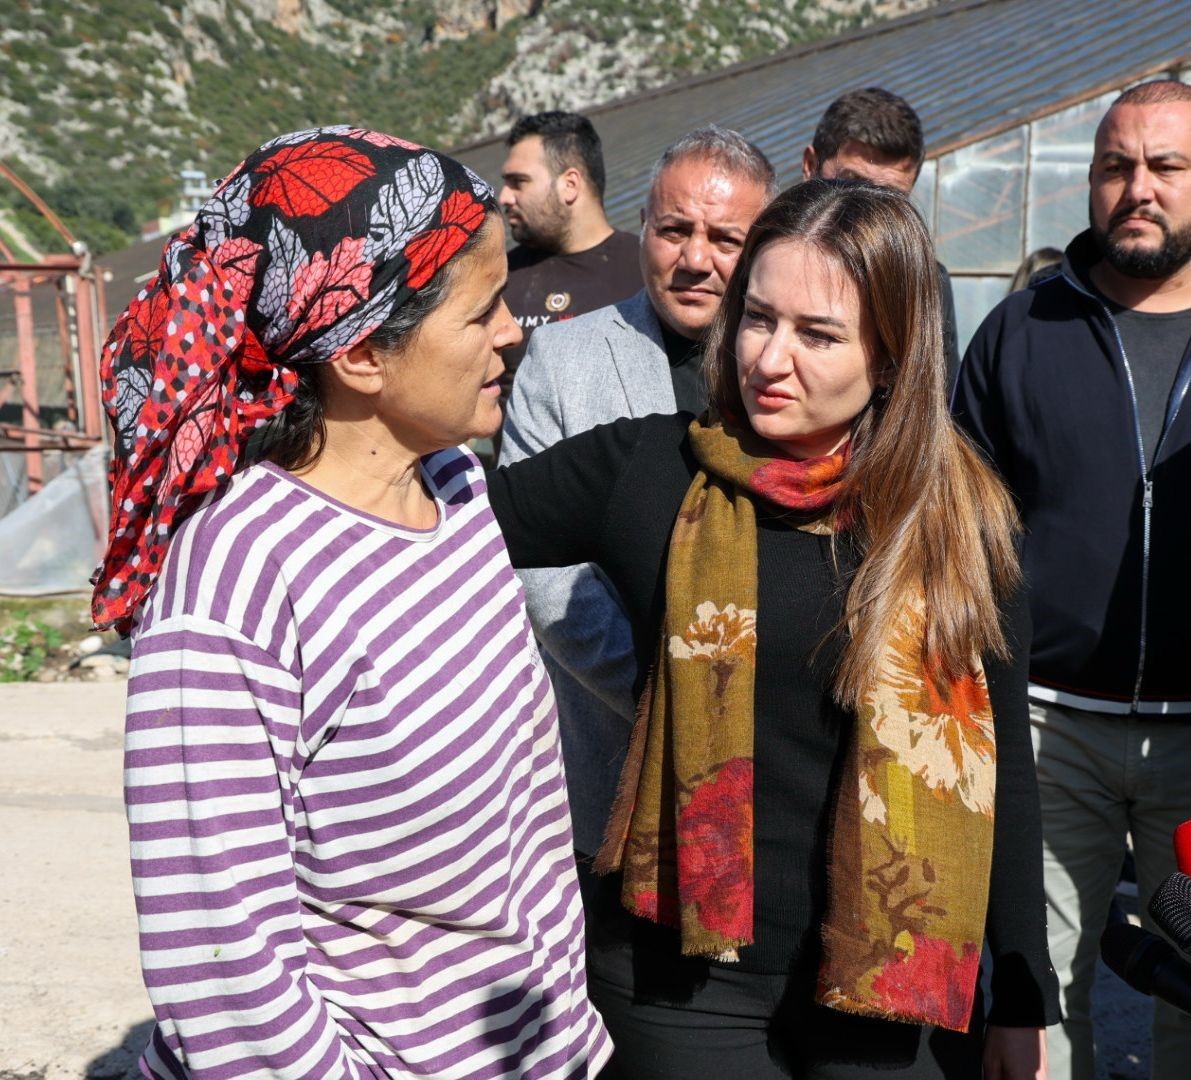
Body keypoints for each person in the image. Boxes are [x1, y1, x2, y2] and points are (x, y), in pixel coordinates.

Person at [489, 179, 1059, 1079]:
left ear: (890, 357)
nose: (768, 358)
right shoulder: (651, 469)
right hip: (679, 985)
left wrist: (1022, 999)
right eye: (757, 318)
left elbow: (1004, 773)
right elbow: (435, 516)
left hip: (890, 992)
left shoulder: (961, 525)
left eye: (816, 334)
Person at [91, 126, 611, 1079]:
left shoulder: (454, 488)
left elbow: (516, 849)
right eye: (481, 311)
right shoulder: (239, 578)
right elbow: (226, 981)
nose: (511, 330)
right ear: (363, 353)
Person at [953, 79, 1191, 1080]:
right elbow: (960, 528)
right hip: (1047, 731)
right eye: (1114, 166)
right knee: (1036, 1004)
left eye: (1166, 167)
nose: (1138, 188)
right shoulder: (1021, 330)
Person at [499, 126, 775, 866]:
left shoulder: (794, 369)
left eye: (725, 239)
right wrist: (679, 698)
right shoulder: (561, 359)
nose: (695, 259)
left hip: (773, 776)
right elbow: (547, 579)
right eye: (674, 230)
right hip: (609, 768)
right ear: (643, 225)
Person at [801, 87, 961, 387]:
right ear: (810, 166)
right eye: (851, 183)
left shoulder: (925, 284)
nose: (866, 208)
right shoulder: (751, 257)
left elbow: (937, 398)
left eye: (889, 197)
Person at [498, 111, 642, 400]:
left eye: (518, 182)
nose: (504, 197)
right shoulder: (497, 278)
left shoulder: (645, 269)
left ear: (570, 184)